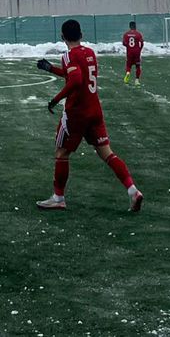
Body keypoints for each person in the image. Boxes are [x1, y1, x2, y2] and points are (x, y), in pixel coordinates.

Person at [35, 19, 145, 212]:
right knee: (107, 153)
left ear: (62, 37)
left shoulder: (69, 55)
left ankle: (58, 197)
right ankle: (132, 190)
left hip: (77, 113)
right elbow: (77, 75)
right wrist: (51, 69)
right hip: (94, 110)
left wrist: (55, 99)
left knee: (61, 153)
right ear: (82, 35)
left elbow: (75, 80)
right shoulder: (90, 53)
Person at [121, 21, 144, 87]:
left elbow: (124, 43)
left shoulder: (126, 34)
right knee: (138, 66)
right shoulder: (138, 34)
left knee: (128, 65)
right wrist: (140, 49)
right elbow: (142, 43)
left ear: (129, 26)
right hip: (137, 52)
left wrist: (128, 46)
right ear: (135, 26)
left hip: (129, 52)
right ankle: (137, 80)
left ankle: (128, 73)